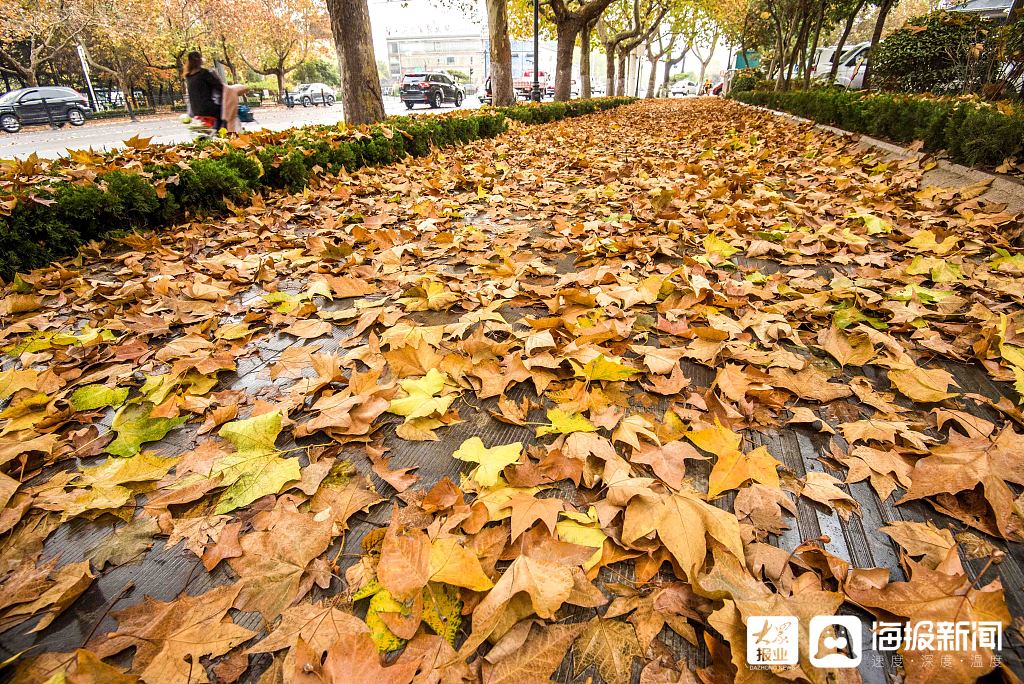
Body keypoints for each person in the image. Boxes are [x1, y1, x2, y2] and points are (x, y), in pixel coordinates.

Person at [183, 51, 223, 130]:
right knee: (224, 112)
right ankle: (218, 133)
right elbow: (219, 87)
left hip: (195, 110)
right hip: (207, 108)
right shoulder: (204, 73)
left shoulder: (188, 76)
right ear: (200, 60)